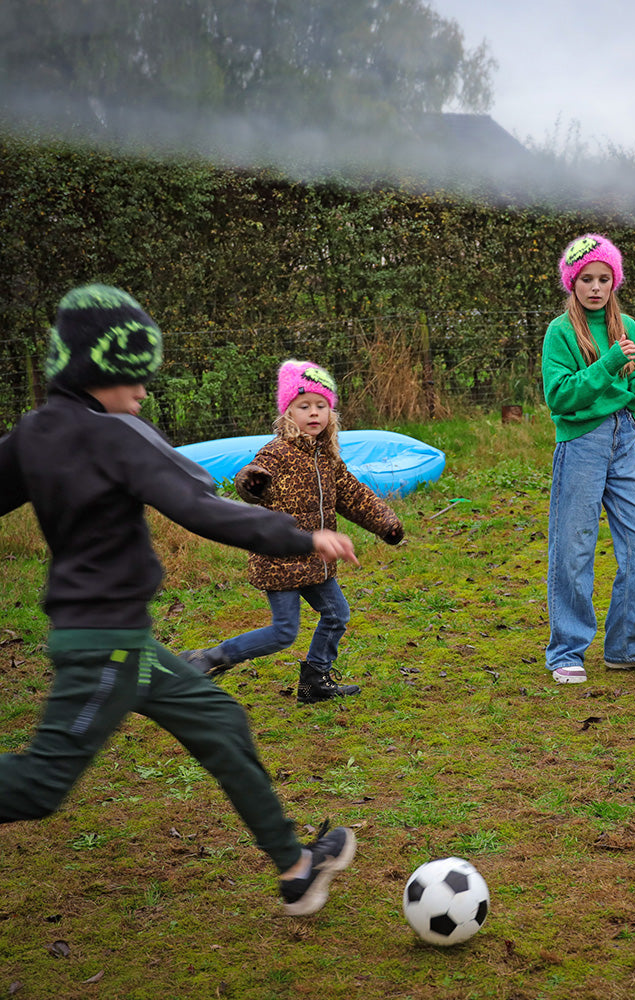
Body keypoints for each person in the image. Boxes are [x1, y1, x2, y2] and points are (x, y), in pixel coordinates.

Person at [0, 285, 358, 916]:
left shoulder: (33, 433)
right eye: (134, 378)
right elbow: (200, 507)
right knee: (38, 787)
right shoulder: (116, 435)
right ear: (97, 370)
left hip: (125, 642)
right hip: (103, 648)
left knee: (221, 723)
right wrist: (301, 535)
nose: (142, 392)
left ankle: (297, 869)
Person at [180, 359, 403, 701]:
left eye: (321, 406)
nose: (314, 413)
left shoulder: (327, 457)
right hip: (280, 558)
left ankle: (315, 680)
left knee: (336, 614)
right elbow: (250, 476)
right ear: (288, 413)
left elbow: (354, 495)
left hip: (317, 559)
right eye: (304, 406)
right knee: (283, 632)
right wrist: (253, 483)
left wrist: (386, 524)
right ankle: (209, 658)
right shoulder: (277, 452)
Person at [541, 233, 635, 685]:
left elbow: (633, 396)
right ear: (572, 283)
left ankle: (627, 646)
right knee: (574, 548)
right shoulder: (561, 333)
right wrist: (608, 362)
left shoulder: (629, 328)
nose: (595, 287)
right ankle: (566, 651)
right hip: (580, 444)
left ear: (614, 281)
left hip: (624, 441)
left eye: (604, 278)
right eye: (586, 279)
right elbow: (559, 398)